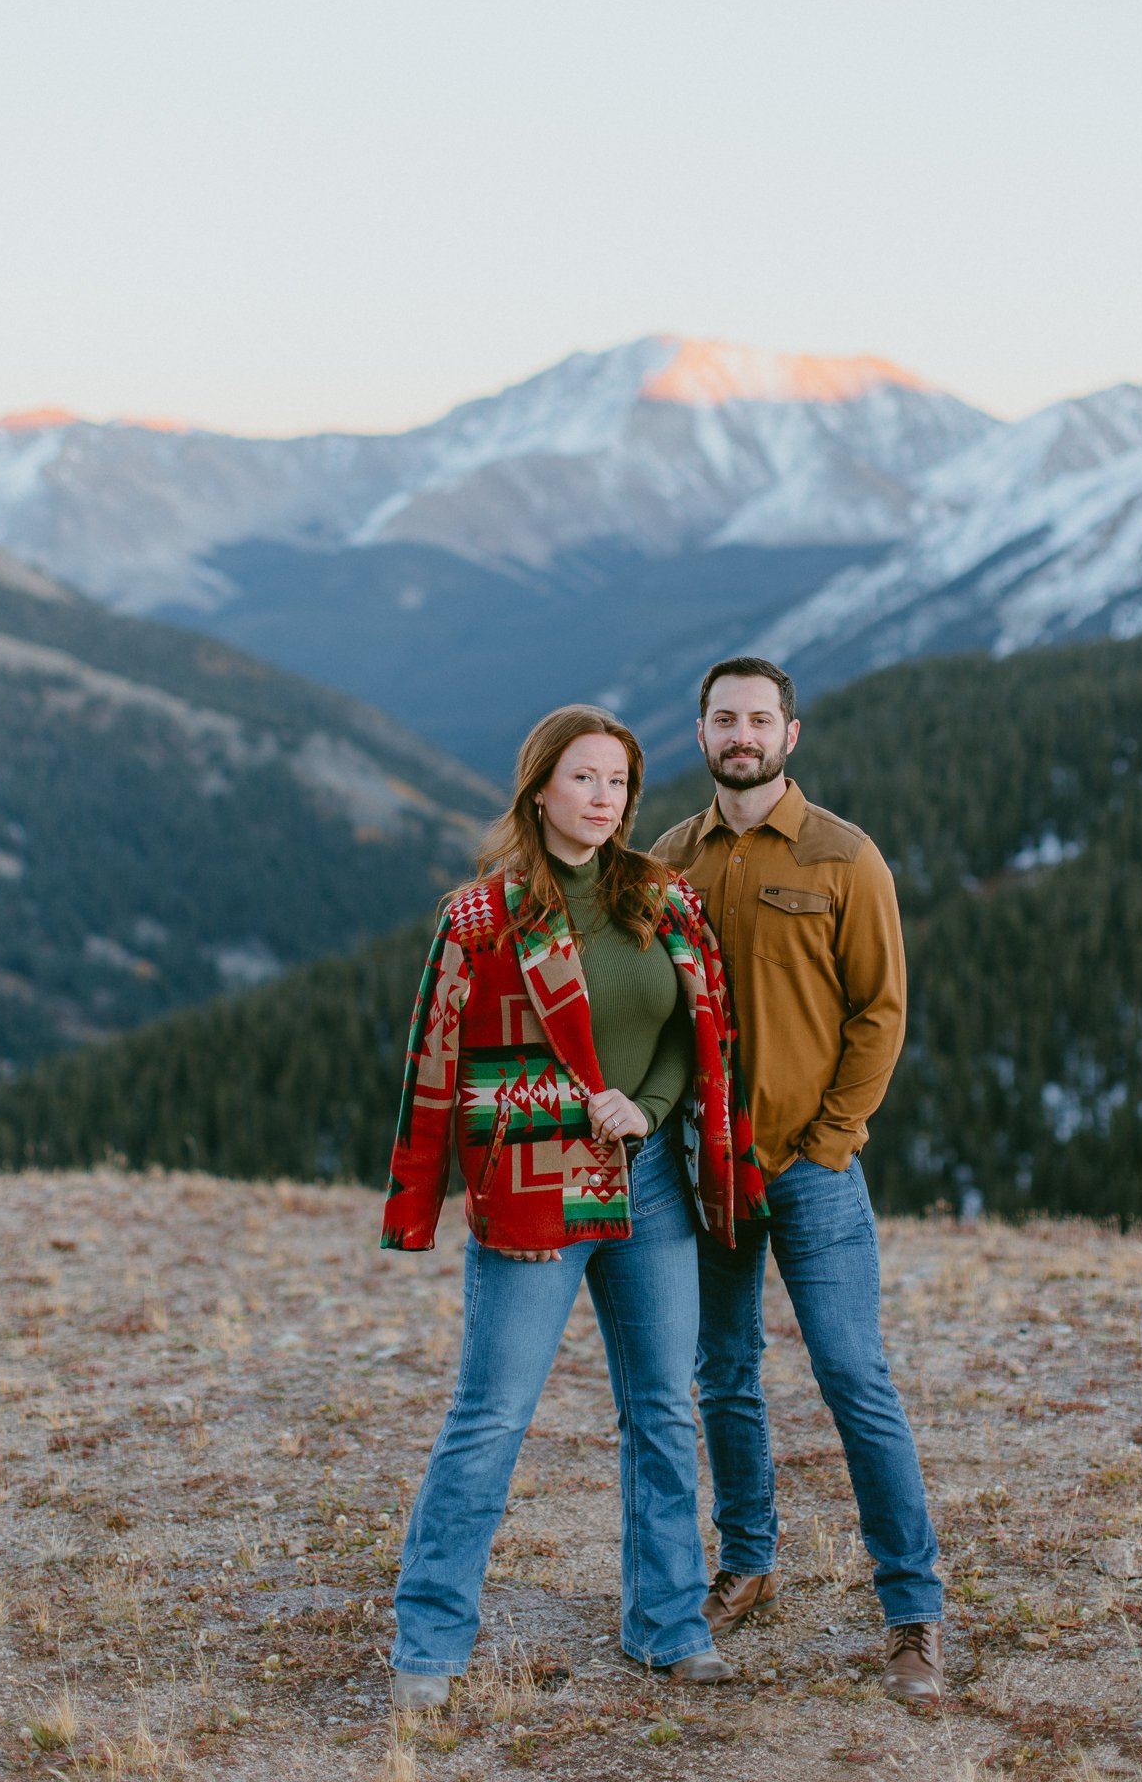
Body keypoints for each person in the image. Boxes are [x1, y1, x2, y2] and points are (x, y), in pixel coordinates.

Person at [380, 703, 767, 1711]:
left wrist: (645, 1106)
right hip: (534, 1185)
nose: (603, 799)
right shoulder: (479, 918)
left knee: (661, 1408)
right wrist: (540, 1138)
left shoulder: (661, 898)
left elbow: (696, 1028)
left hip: (648, 1186)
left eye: (619, 783)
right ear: (540, 786)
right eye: (585, 777)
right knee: (493, 1412)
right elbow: (441, 1067)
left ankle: (669, 1625)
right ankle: (429, 1637)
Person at [652, 656, 945, 1707]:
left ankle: (912, 1610)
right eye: (725, 717)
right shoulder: (669, 858)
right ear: (700, 733)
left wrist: (831, 1137)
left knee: (854, 1379)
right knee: (721, 1372)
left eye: (760, 718)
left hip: (810, 1172)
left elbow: (880, 1010)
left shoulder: (843, 856)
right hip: (707, 1172)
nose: (743, 733)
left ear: (792, 732)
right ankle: (748, 1559)